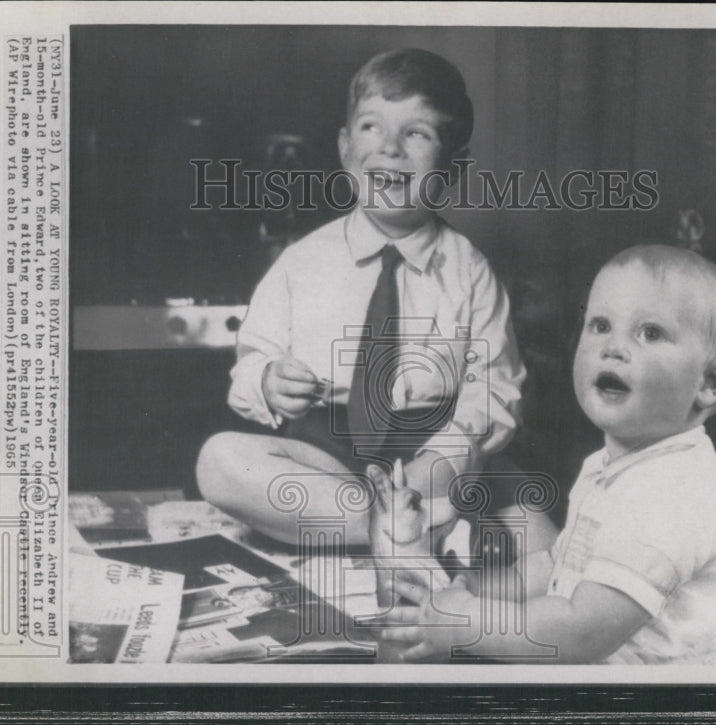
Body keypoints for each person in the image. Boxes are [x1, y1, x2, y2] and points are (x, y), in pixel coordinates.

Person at [382, 245, 716, 664]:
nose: (612, 347)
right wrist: (474, 587)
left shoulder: (674, 495)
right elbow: (556, 570)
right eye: (599, 325)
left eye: (649, 333)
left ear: (710, 381)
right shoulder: (610, 468)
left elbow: (579, 633)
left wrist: (468, 623)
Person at [196, 49, 526, 548]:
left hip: (427, 457)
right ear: (346, 148)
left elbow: (497, 390)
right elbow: (249, 362)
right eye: (372, 127)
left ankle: (401, 521)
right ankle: (401, 531)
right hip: (327, 456)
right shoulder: (300, 262)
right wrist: (268, 380)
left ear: (452, 168)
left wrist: (446, 454)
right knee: (219, 461)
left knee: (486, 477)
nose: (390, 148)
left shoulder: (470, 270)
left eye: (417, 133)